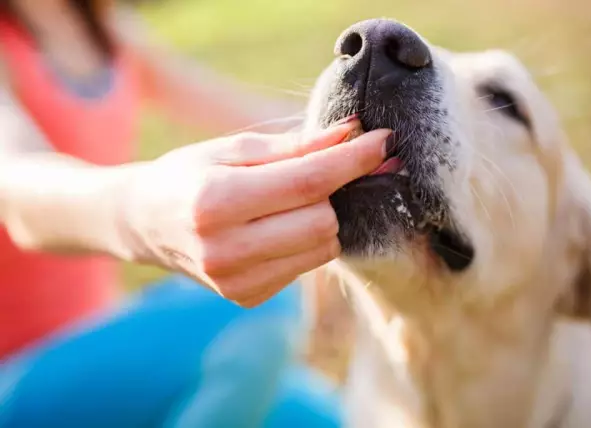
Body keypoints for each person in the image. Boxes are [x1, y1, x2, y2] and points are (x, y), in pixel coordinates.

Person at [0, 1, 390, 426]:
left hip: (102, 345)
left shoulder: (103, 28)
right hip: (16, 381)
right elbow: (19, 190)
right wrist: (138, 212)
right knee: (257, 313)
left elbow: (246, 115)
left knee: (320, 419)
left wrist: (367, 125)